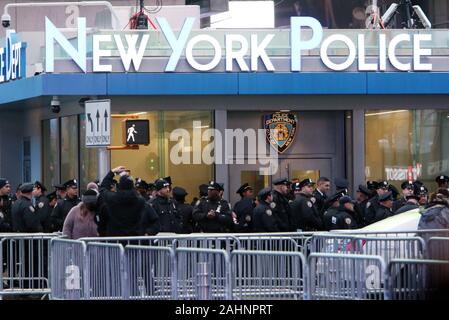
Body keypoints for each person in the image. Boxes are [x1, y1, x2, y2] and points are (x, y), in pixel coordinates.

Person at [100, 168, 147, 236]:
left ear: (120, 185)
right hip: (134, 239)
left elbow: (102, 188)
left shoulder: (112, 198)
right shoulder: (140, 201)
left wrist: (112, 172)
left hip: (115, 239)